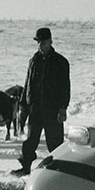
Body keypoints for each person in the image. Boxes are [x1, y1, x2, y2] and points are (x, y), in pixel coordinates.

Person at [11, 27, 70, 176]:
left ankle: (60, 172)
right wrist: (23, 106)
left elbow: (65, 87)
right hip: (35, 109)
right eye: (38, 42)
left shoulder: (61, 62)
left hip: (53, 110)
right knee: (30, 142)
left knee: (55, 144)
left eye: (43, 42)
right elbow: (28, 84)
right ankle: (25, 168)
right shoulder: (33, 61)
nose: (40, 45)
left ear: (50, 41)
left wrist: (63, 108)